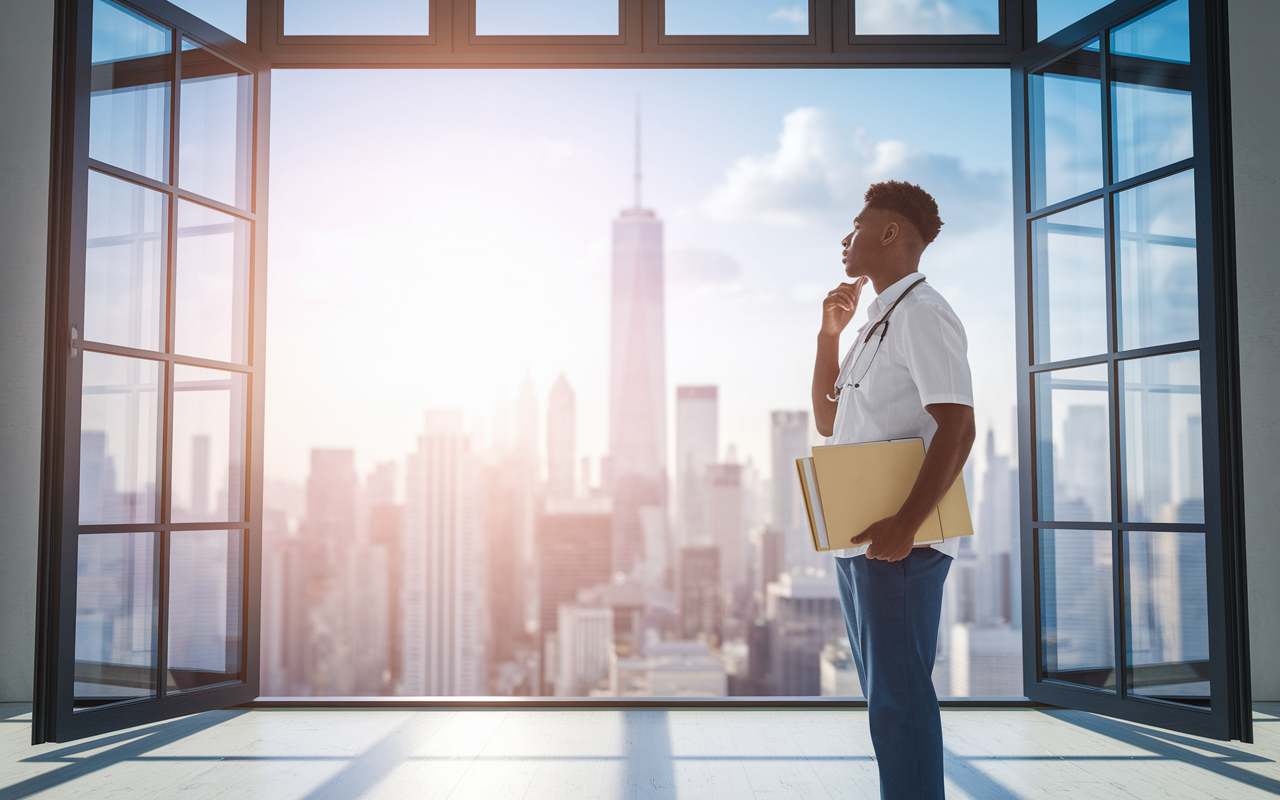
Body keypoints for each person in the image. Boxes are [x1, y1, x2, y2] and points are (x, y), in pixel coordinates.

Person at [810, 180, 976, 800]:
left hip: (900, 541)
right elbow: (830, 421)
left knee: (901, 703)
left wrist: (906, 524)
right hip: (864, 540)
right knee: (887, 703)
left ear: (890, 233)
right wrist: (829, 336)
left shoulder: (924, 313)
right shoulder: (874, 324)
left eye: (856, 226)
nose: (844, 239)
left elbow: (959, 424)